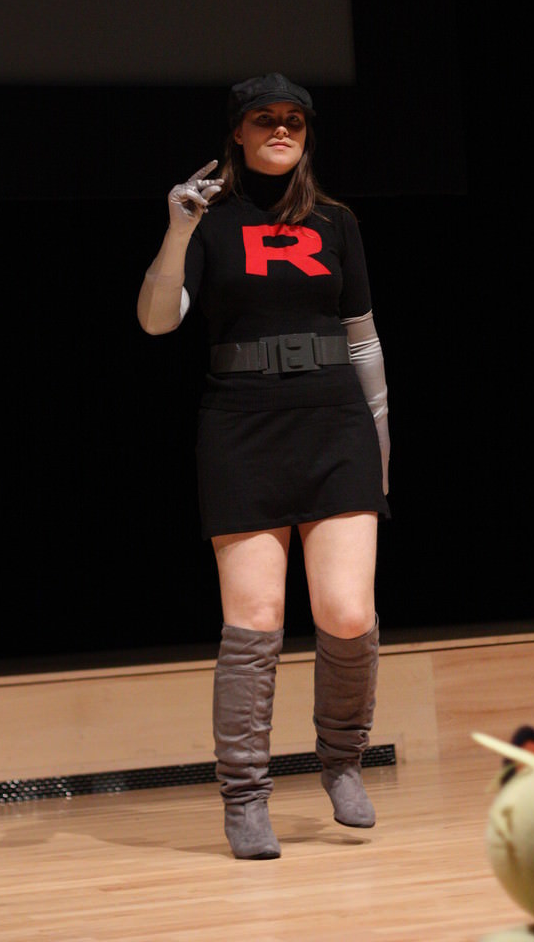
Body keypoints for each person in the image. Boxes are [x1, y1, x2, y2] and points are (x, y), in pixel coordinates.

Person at [137, 73, 390, 860]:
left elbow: (363, 339)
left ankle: (342, 761)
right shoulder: (208, 220)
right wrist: (177, 230)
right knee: (255, 620)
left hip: (336, 421)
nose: (281, 129)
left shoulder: (337, 221)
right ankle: (245, 795)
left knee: (346, 612)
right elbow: (157, 321)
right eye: (264, 119)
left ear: (307, 134)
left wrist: (381, 448)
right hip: (242, 425)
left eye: (294, 120)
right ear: (238, 133)